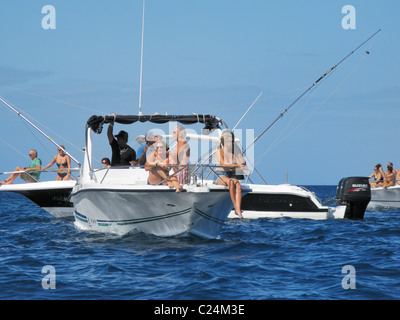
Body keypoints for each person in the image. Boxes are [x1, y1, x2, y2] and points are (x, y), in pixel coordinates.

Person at [215, 130, 247, 218]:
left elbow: (242, 162)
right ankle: (235, 208)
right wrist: (237, 165)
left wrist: (240, 157)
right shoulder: (219, 152)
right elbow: (224, 164)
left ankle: (238, 208)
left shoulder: (234, 151)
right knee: (231, 183)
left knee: (238, 186)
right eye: (229, 141)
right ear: (224, 142)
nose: (231, 143)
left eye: (232, 141)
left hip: (231, 175)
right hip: (220, 175)